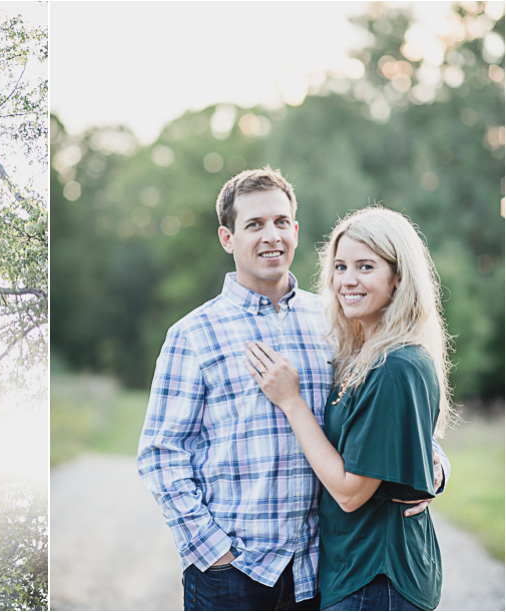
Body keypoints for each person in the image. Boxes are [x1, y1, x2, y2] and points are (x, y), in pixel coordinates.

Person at [137, 167, 448, 611]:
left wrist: (433, 467)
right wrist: (213, 553)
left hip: (317, 567)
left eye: (281, 222)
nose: (271, 236)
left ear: (296, 230)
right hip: (234, 572)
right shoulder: (193, 335)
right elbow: (160, 453)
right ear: (228, 238)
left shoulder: (335, 321)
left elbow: (386, 412)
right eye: (255, 224)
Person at [244, 206, 452, 610]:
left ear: (398, 277)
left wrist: (291, 401)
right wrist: (435, 467)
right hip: (352, 572)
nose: (347, 280)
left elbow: (350, 493)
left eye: (365, 266)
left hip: (378, 580)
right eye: (340, 266)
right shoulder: (361, 355)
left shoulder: (396, 365)